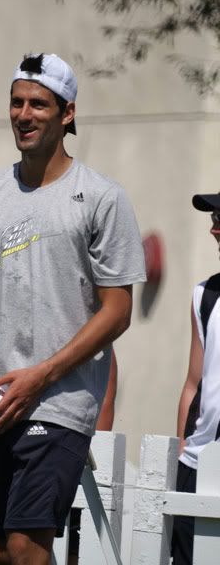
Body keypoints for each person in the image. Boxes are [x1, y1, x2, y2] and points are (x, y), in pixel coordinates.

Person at [0, 52, 146, 564]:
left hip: (60, 404)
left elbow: (117, 311)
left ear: (67, 114)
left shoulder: (101, 198)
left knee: (25, 546)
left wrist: (44, 374)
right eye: (16, 102)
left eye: (38, 104)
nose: (24, 114)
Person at [0, 340, 118, 564]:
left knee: (41, 550)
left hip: (48, 447)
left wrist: (80, 448)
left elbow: (102, 394)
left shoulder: (70, 323)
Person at [171, 192, 220, 565]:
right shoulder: (204, 296)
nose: (213, 228)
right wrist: (183, 449)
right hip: (199, 466)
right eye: (214, 219)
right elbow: (193, 382)